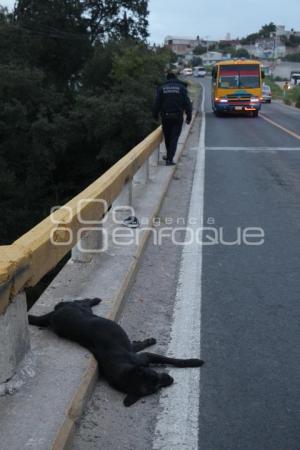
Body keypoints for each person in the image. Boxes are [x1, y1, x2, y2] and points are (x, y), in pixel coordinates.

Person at [153, 72, 192, 166]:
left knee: (167, 137)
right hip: (177, 117)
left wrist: (155, 115)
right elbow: (187, 104)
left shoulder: (162, 88)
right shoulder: (182, 88)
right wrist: (188, 117)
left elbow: (156, 103)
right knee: (174, 137)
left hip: (166, 117)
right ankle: (169, 159)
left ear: (167, 79)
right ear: (176, 78)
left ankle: (168, 156)